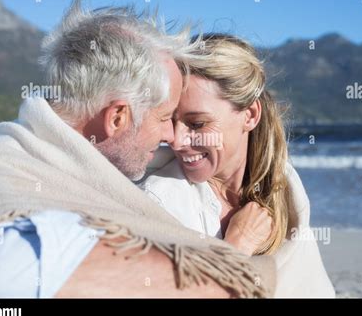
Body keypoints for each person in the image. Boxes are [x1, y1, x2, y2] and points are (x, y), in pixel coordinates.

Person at [0, 0, 276, 298]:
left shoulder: (36, 157)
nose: (172, 136)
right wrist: (232, 254)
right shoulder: (2, 178)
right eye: (166, 118)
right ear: (117, 117)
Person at [141, 34, 336, 297]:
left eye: (197, 124)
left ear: (250, 116)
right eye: (171, 120)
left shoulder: (285, 185)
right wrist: (236, 246)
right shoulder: (160, 200)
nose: (177, 141)